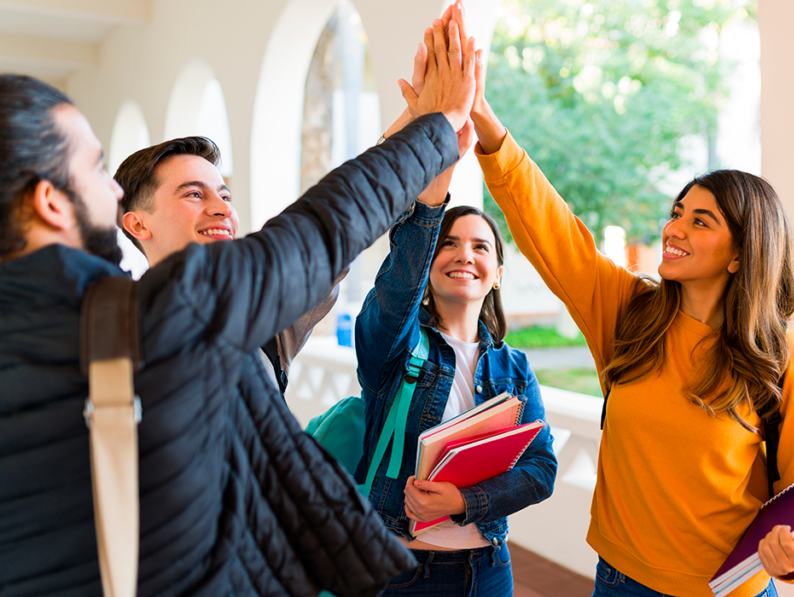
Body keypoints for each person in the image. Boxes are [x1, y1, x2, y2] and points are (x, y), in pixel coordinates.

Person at [0, 16, 475, 596]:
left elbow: (324, 248)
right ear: (52, 202)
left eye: (225, 192)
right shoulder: (170, 311)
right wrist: (438, 125)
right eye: (96, 168)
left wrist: (421, 139)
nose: (113, 186)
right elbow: (317, 233)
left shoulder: (219, 326)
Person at [457, 34, 794, 597]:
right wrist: (489, 129)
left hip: (729, 590)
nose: (674, 229)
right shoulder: (629, 312)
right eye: (676, 212)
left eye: (701, 221)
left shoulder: (781, 360)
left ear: (743, 253)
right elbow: (554, 232)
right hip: (621, 582)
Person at [344, 14, 556, 593]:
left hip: (488, 570)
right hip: (399, 567)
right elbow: (399, 282)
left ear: (496, 273)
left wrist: (467, 498)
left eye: (480, 247)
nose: (464, 254)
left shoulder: (512, 369)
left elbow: (542, 469)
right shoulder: (396, 341)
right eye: (449, 243)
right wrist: (435, 186)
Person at [114, 136, 343, 394]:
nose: (223, 208)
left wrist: (394, 138)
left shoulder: (261, 316)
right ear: (138, 225)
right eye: (194, 194)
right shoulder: (112, 339)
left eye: (225, 195)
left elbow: (336, 236)